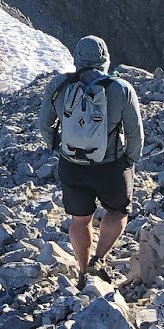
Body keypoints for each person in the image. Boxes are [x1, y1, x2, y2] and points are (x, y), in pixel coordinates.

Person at [37, 35, 144, 288]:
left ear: (77, 58)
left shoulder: (59, 85)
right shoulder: (121, 88)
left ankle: (83, 270)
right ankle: (99, 259)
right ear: (105, 59)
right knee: (117, 211)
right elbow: (135, 133)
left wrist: (57, 147)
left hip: (72, 165)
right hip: (110, 166)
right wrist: (129, 160)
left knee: (80, 219)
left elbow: (45, 124)